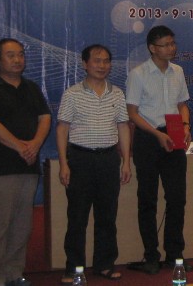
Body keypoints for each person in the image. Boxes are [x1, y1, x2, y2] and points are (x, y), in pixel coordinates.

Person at [0, 38, 51, 286]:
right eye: (11, 55)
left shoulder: (32, 88)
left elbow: (45, 117)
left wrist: (35, 144)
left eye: (20, 54)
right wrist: (21, 146)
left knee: (21, 225)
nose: (17, 60)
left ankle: (14, 273)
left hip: (28, 166)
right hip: (0, 168)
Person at [56, 44, 131, 283]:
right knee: (77, 217)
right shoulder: (72, 94)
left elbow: (123, 127)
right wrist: (63, 164)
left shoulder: (117, 94)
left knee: (107, 216)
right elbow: (62, 129)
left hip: (108, 159)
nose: (102, 65)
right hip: (80, 159)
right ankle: (73, 267)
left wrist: (126, 162)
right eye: (97, 61)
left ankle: (105, 264)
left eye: (106, 61)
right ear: (85, 64)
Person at [126, 25, 192, 274]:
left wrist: (185, 126)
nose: (171, 48)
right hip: (148, 138)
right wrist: (157, 134)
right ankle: (151, 256)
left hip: (174, 136)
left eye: (173, 43)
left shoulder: (178, 71)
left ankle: (175, 255)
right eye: (166, 44)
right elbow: (132, 113)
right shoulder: (138, 74)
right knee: (147, 199)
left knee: (177, 198)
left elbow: (182, 105)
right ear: (152, 48)